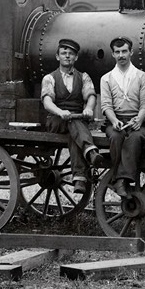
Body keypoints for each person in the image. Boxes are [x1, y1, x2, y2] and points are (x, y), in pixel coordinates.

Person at [41, 38, 104, 194]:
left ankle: (79, 180)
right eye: (64, 53)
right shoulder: (49, 78)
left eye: (71, 54)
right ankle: (89, 151)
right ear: (57, 57)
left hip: (75, 121)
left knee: (74, 133)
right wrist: (60, 112)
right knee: (74, 124)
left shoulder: (83, 77)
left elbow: (90, 95)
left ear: (76, 58)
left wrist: (89, 108)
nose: (67, 56)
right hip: (56, 121)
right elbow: (47, 101)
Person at [100, 36, 145, 198]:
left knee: (135, 138)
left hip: (137, 121)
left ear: (131, 52)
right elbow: (106, 105)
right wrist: (114, 121)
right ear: (113, 54)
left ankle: (122, 181)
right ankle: (117, 178)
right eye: (117, 52)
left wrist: (139, 119)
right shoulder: (106, 78)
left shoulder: (142, 76)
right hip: (114, 121)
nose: (121, 55)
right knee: (116, 137)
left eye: (124, 51)